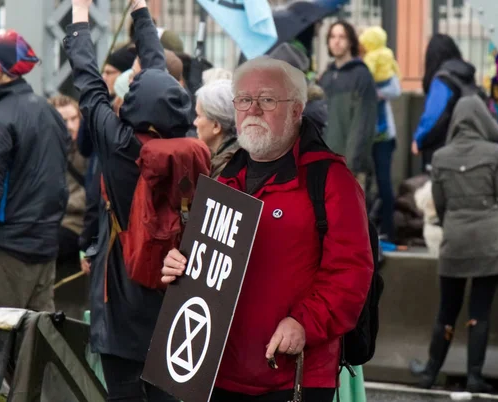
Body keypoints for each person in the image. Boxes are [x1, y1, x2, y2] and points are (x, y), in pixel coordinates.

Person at [162, 56, 374, 402]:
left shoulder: (331, 180)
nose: (253, 110)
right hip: (216, 372)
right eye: (244, 100)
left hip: (293, 376)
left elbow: (351, 273)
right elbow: (204, 261)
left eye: (267, 99)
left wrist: (305, 323)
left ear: (296, 110)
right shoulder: (224, 179)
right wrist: (179, 263)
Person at [65, 0, 193, 400]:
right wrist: (141, 12)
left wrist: (80, 15)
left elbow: (87, 80)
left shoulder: (120, 146)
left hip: (122, 297)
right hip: (171, 299)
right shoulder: (186, 143)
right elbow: (157, 72)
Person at [410, 95, 498, 393]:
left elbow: (440, 206)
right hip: (490, 243)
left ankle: (430, 372)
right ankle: (474, 375)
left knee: (446, 310)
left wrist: (455, 223)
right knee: (479, 312)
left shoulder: (441, 157)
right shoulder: (495, 153)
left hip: (455, 241)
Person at [0, 29, 69, 312]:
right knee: (35, 348)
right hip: (46, 248)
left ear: (8, 72)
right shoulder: (50, 112)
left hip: (5, 252)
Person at [319, 20, 377, 191]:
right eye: (332, 36)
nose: (336, 41)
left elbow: (363, 123)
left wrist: (351, 164)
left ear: (351, 41)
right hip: (324, 164)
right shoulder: (326, 77)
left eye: (342, 37)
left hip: (349, 165)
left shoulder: (362, 75)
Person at [359, 25, 401, 241]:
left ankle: (389, 230)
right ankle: (369, 229)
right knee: (366, 184)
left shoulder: (383, 62)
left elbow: (395, 89)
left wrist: (375, 92)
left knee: (384, 182)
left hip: (383, 137)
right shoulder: (363, 64)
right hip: (366, 134)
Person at [411, 34, 477, 169]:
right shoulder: (465, 76)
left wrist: (419, 140)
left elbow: (433, 116)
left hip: (442, 149)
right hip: (466, 146)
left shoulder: (443, 79)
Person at [48, 95, 88, 279]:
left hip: (76, 222)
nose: (71, 125)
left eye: (74, 119)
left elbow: (92, 194)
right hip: (54, 219)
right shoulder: (48, 148)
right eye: (64, 120)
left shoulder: (86, 150)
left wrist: (61, 202)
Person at [194, 79, 239, 179]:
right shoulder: (231, 158)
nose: (195, 122)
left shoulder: (227, 173)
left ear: (216, 126)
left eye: (199, 116)